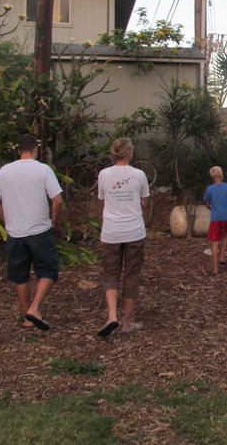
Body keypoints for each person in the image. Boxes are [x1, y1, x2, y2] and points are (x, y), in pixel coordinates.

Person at [0, 134, 63, 331]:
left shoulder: (5, 171)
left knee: (20, 274)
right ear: (36, 150)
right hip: (39, 229)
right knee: (48, 270)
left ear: (18, 150)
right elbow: (57, 200)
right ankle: (34, 307)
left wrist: (6, 220)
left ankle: (27, 316)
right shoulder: (43, 170)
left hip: (15, 231)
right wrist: (54, 219)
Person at [96, 137, 150, 337]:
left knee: (111, 274)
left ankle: (112, 316)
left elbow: (103, 198)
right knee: (131, 275)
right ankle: (127, 322)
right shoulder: (139, 174)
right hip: (134, 232)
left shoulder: (104, 174)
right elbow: (144, 200)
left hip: (111, 232)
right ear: (128, 153)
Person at [203, 166, 227, 275]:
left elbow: (207, 203)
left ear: (212, 177)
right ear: (221, 175)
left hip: (216, 218)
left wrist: (209, 206)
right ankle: (222, 257)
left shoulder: (210, 189)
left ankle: (215, 269)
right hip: (226, 217)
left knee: (215, 242)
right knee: (226, 236)